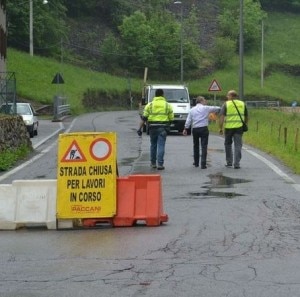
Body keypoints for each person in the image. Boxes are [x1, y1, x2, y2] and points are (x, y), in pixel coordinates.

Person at [137, 89, 174, 170]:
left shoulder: (149, 105)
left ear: (155, 95)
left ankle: (153, 163)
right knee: (161, 145)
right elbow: (171, 118)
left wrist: (139, 129)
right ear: (163, 95)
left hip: (152, 128)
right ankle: (160, 164)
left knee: (153, 145)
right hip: (163, 128)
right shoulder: (167, 105)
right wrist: (168, 124)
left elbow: (144, 118)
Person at [183, 96, 220, 169]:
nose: (205, 102)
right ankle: (203, 164)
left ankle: (196, 163)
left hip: (195, 129)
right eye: (204, 100)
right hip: (203, 128)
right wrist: (221, 109)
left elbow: (188, 120)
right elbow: (216, 108)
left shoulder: (192, 110)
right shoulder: (205, 108)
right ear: (201, 101)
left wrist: (185, 129)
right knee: (204, 146)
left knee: (196, 145)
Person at [219, 90, 248, 169]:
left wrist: (220, 128)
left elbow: (221, 116)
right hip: (239, 128)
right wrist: (244, 124)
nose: (227, 97)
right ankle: (237, 164)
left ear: (231, 96)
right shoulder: (242, 104)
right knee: (238, 145)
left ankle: (229, 162)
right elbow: (246, 116)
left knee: (228, 145)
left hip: (228, 128)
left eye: (228, 95)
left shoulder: (226, 104)